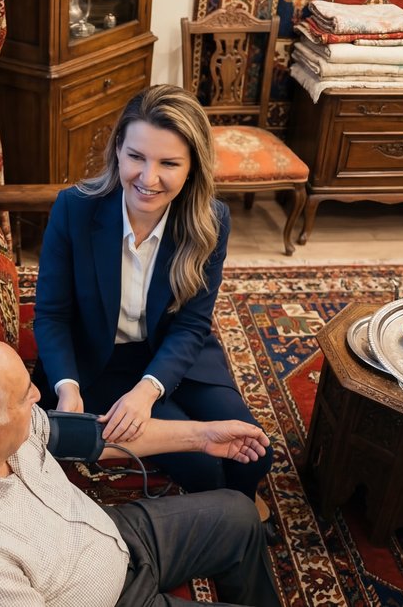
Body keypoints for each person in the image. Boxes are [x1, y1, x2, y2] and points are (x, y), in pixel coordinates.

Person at [0, 338, 282, 607]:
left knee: (239, 512)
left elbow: (94, 436)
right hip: (117, 600)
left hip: (106, 534)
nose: (36, 397)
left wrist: (204, 436)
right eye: (24, 396)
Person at [33, 84, 272, 497]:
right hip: (100, 364)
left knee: (256, 453)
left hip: (176, 356)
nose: (148, 178)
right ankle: (224, 523)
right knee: (204, 469)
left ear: (193, 167)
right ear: (118, 152)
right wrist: (67, 388)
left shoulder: (211, 221)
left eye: (169, 163)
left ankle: (240, 519)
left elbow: (193, 324)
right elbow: (52, 314)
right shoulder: (74, 208)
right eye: (136, 157)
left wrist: (148, 391)